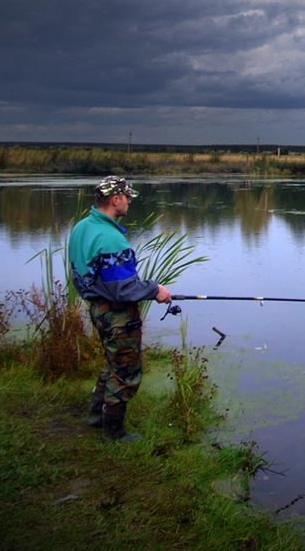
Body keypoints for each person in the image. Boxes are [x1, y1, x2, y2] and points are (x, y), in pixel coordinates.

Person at [68, 176, 171, 442]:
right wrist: (154, 290)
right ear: (115, 199)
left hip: (97, 309)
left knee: (113, 363)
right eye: (127, 197)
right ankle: (114, 432)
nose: (129, 202)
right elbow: (123, 289)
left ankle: (96, 416)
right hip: (116, 314)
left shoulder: (82, 227)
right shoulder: (112, 239)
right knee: (125, 369)